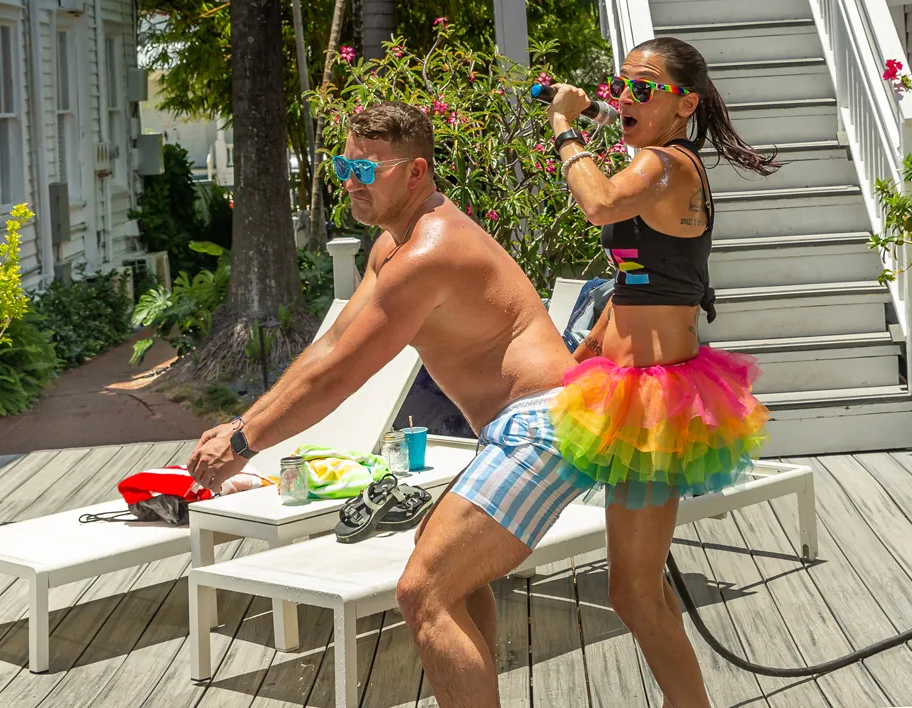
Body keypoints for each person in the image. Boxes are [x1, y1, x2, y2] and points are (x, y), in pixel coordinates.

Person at [186, 102, 595, 707]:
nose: (350, 180)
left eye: (365, 169)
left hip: (546, 424)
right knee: (447, 573)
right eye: (343, 164)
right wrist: (243, 424)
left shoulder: (428, 251)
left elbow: (340, 376)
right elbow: (331, 346)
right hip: (516, 428)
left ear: (416, 172)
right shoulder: (390, 247)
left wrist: (244, 440)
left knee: (423, 590)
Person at [543, 38, 776, 706]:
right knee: (637, 589)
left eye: (642, 88)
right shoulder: (655, 164)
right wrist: (583, 353)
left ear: (685, 105)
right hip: (619, 386)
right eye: (620, 86)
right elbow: (633, 281)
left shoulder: (664, 164)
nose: (624, 98)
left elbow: (598, 203)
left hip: (654, 405)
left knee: (633, 592)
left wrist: (563, 126)